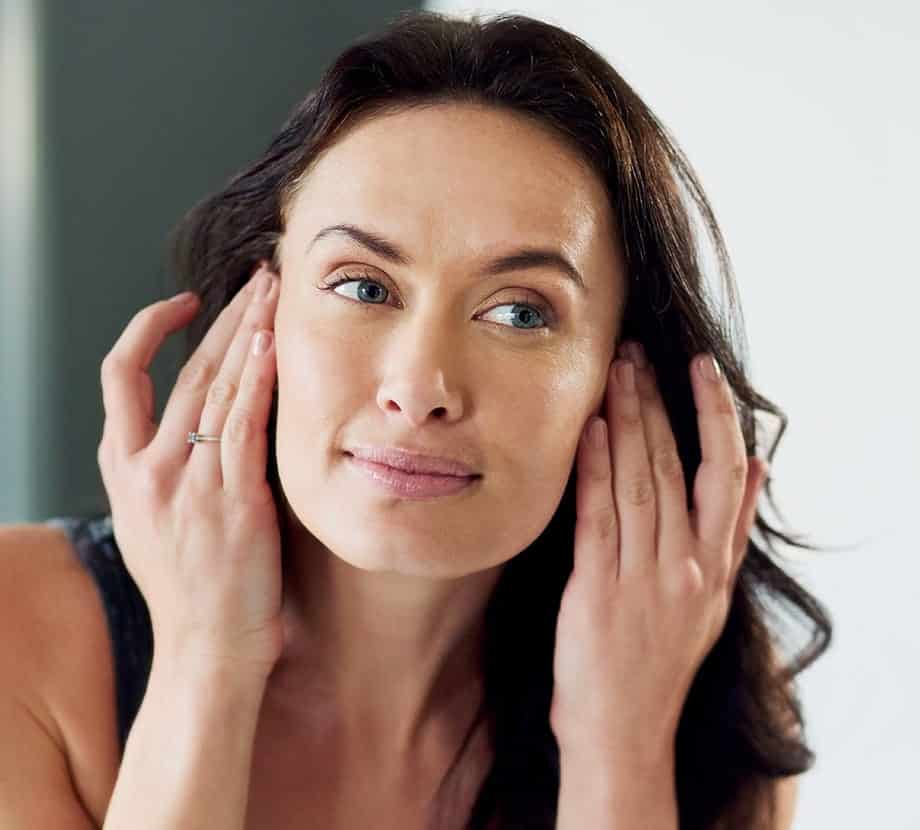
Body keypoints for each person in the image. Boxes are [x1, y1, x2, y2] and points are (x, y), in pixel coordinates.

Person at [0, 9, 830, 829]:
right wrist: (204, 663)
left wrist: (619, 748)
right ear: (266, 307)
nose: (419, 386)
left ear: (620, 375)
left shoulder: (713, 711)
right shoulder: (21, 628)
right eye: (363, 286)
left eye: (520, 313)